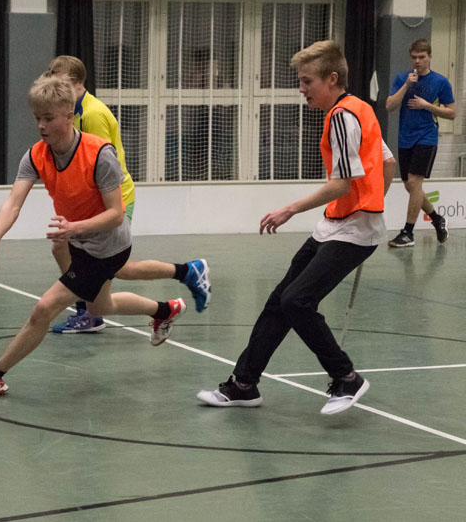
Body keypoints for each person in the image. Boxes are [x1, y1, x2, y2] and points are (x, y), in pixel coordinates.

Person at [197, 40, 397, 415]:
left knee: (296, 301)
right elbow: (387, 163)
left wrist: (290, 209)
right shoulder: (360, 109)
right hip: (333, 226)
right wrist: (374, 201)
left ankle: (347, 378)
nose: (301, 88)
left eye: (307, 81)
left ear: (332, 79)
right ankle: (244, 385)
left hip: (354, 233)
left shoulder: (342, 117)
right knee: (279, 303)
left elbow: (342, 184)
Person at [0, 75, 185, 400]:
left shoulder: (99, 154)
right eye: (37, 118)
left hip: (107, 246)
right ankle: (164, 310)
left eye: (48, 118)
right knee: (100, 305)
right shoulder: (36, 155)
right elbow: (13, 203)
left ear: (68, 115)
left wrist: (75, 228)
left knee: (44, 308)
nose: (41, 126)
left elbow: (116, 214)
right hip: (78, 240)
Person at [43, 55, 211, 336]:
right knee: (97, 261)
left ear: (78, 82)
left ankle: (90, 312)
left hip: (112, 198)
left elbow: (100, 164)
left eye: (61, 84)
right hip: (98, 200)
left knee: (100, 262)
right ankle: (185, 274)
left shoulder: (92, 115)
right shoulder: (76, 111)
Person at [385, 38, 456, 248]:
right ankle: (437, 219)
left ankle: (408, 233)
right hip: (405, 138)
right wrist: (407, 85)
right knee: (410, 185)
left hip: (427, 137)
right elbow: (390, 106)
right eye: (414, 57)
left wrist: (428, 106)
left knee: (415, 183)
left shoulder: (441, 82)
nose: (417, 61)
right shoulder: (402, 78)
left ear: (429, 57)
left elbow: (452, 113)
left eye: (422, 57)